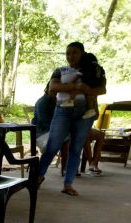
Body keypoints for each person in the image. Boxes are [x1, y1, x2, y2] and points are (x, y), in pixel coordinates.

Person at [38, 41, 106, 196]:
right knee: (52, 146)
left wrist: (87, 89)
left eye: (74, 52)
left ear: (82, 53)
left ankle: (68, 184)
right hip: (62, 111)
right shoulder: (60, 70)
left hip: (84, 114)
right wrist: (77, 87)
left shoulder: (91, 70)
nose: (71, 56)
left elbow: (102, 89)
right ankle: (39, 176)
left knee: (76, 149)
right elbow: (53, 88)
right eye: (68, 53)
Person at [60, 52, 105, 120]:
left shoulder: (86, 67)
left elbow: (78, 76)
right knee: (90, 96)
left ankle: (70, 101)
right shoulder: (100, 68)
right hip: (97, 85)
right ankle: (91, 110)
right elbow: (103, 78)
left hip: (87, 84)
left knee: (75, 91)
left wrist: (71, 83)